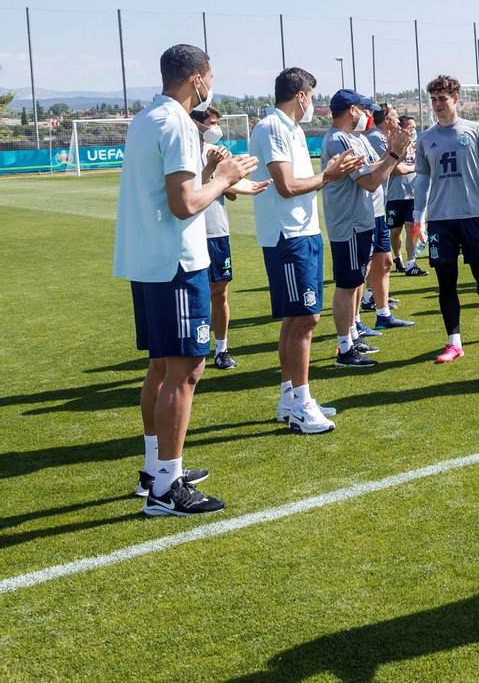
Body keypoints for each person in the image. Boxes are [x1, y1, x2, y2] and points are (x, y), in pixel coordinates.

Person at [116, 44, 258, 514]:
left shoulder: (145, 118)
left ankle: (156, 469)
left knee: (161, 366)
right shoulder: (177, 122)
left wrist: (217, 178)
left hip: (150, 260)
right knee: (186, 370)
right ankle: (166, 490)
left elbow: (171, 189)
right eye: (209, 76)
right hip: (175, 264)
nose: (210, 85)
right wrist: (223, 175)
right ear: (196, 79)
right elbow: (183, 204)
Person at [250, 68, 362, 434]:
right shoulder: (273, 128)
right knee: (306, 319)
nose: (314, 102)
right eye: (312, 95)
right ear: (300, 95)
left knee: (296, 318)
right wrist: (330, 175)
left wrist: (331, 173)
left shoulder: (292, 129)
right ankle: (301, 405)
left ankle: (290, 400)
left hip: (303, 231)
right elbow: (285, 186)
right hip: (288, 236)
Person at [413, 75, 479, 363]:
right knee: (446, 282)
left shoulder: (477, 131)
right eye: (434, 100)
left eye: (443, 98)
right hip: (440, 221)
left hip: (473, 216)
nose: (437, 104)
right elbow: (421, 182)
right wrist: (418, 218)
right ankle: (454, 342)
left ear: (456, 99)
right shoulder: (425, 139)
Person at [321, 90, 413, 368]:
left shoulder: (351, 138)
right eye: (363, 109)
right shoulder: (338, 139)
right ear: (351, 110)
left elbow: (371, 168)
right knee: (347, 286)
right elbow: (370, 182)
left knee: (355, 283)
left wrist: (391, 154)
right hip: (348, 224)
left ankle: (352, 336)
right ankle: (345, 349)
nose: (368, 115)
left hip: (359, 222)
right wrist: (394, 154)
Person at [191, 105, 268, 371]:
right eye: (211, 123)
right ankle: (193, 349)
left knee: (220, 292)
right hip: (192, 233)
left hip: (217, 231)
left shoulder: (220, 154)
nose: (215, 129)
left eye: (216, 123)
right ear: (196, 124)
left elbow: (230, 192)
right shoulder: (186, 153)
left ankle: (221, 349)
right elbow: (189, 192)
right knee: (195, 294)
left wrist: (242, 182)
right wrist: (212, 168)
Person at [361, 103, 415, 331]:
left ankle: (380, 308)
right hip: (368, 210)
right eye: (394, 116)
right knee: (366, 265)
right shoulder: (374, 138)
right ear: (386, 120)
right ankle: (364, 307)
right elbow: (393, 168)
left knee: (384, 261)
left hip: (377, 208)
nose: (397, 120)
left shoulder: (381, 137)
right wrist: (416, 165)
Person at [384, 114, 427, 277]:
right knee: (395, 231)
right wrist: (415, 167)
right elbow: (396, 169)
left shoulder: (419, 145)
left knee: (411, 228)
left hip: (413, 194)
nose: (414, 130)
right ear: (402, 127)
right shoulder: (394, 144)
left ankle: (411, 263)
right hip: (394, 195)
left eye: (415, 127)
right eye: (411, 126)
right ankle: (398, 259)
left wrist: (412, 167)